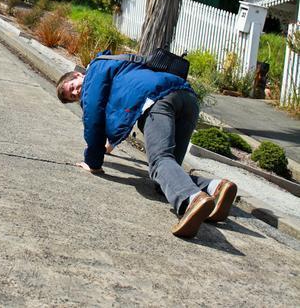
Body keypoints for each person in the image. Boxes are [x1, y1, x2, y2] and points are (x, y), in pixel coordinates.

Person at [57, 52, 238, 238]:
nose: (75, 93)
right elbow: (121, 105)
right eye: (72, 97)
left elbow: (94, 119)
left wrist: (93, 162)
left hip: (159, 101)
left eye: (72, 87)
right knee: (167, 179)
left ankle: (193, 199)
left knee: (159, 162)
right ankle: (215, 187)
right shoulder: (113, 63)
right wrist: (109, 145)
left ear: (78, 74)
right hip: (186, 98)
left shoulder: (94, 72)